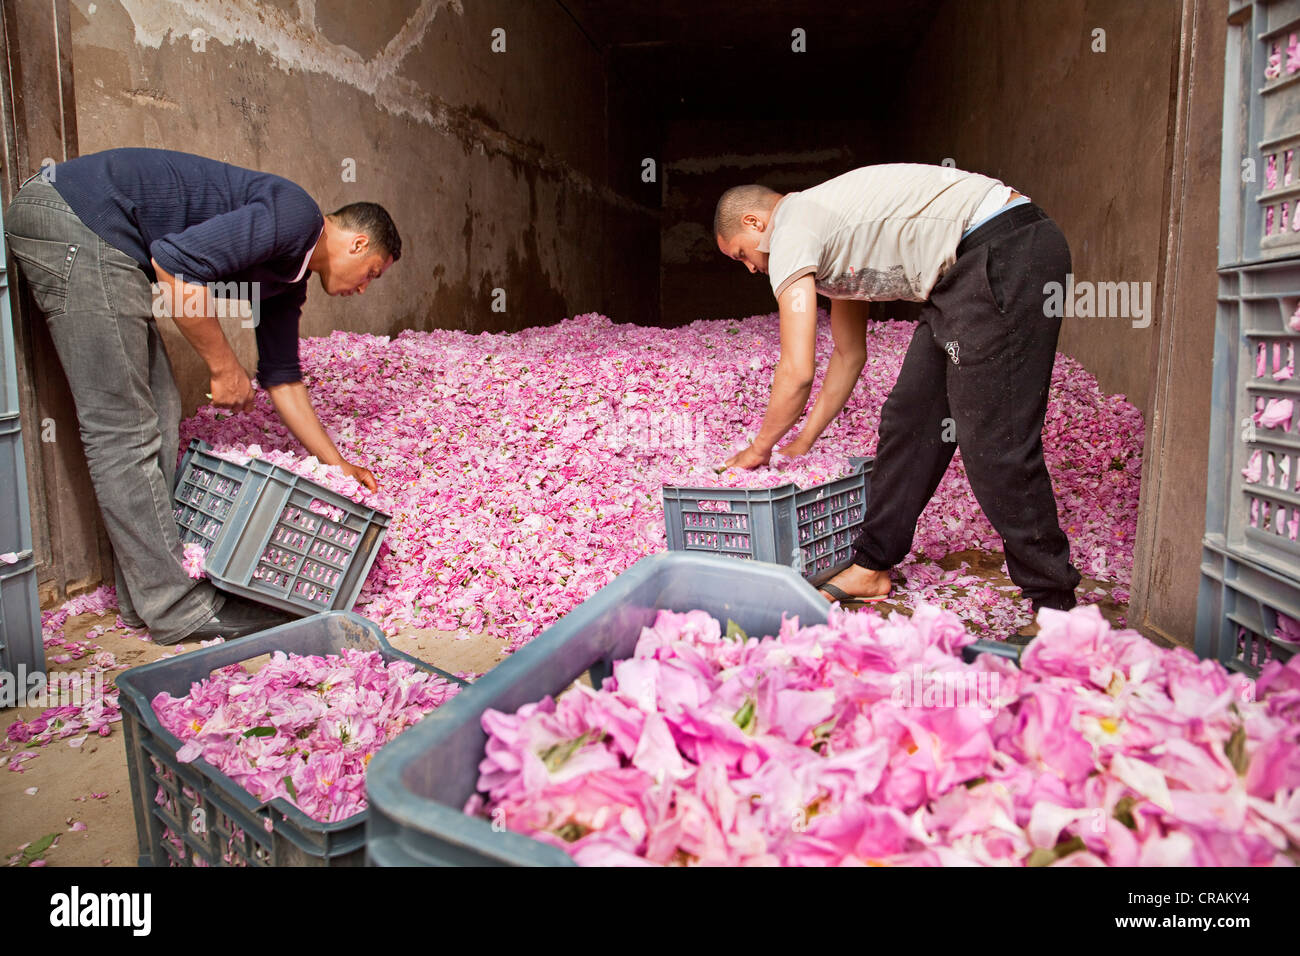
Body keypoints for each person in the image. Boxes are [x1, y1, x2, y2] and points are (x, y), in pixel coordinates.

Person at [4, 147, 401, 643]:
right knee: (122, 429)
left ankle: (145, 597)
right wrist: (223, 364)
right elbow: (174, 265)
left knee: (159, 411)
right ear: (358, 243)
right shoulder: (298, 217)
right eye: (373, 274)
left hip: (103, 239)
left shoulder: (289, 279)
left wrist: (337, 465)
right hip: (77, 217)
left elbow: (283, 379)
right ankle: (175, 608)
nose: (364, 289)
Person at [715, 163, 1080, 623]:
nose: (750, 268)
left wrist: (758, 448)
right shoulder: (826, 235)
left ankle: (1055, 605)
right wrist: (804, 439)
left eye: (741, 255)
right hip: (960, 277)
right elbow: (849, 355)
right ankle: (872, 565)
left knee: (995, 440)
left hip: (1001, 251)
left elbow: (797, 369)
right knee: (912, 420)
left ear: (754, 224)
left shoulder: (790, 228)